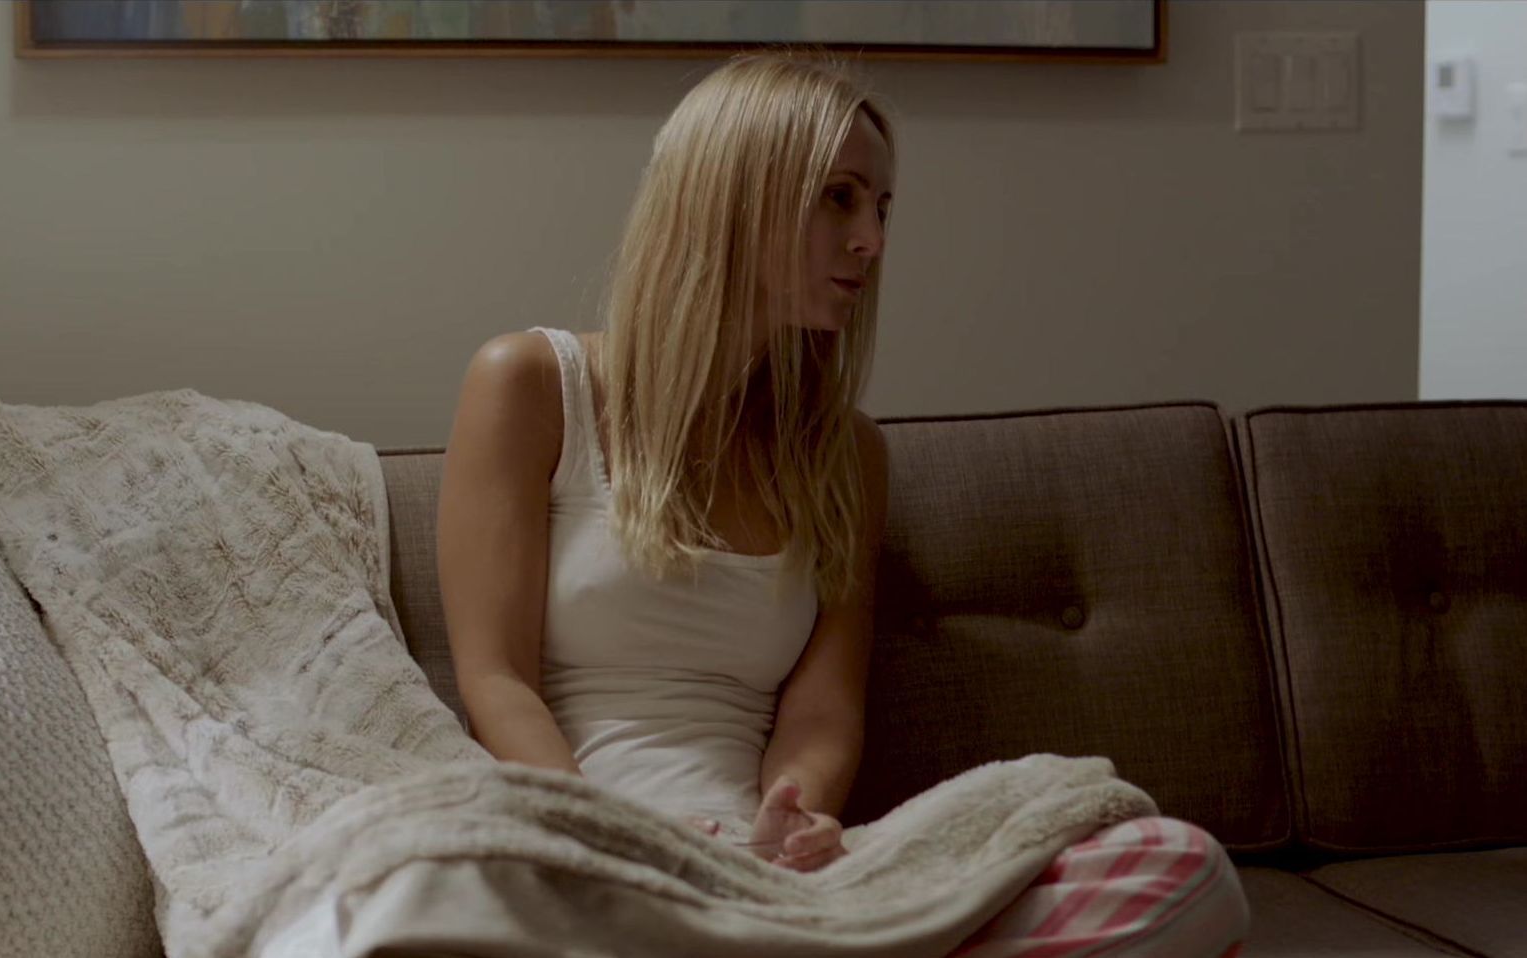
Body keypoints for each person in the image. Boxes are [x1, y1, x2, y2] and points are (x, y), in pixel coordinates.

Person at [435, 53, 1248, 956]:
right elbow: (495, 679)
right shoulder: (529, 383)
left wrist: (795, 823)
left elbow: (823, 715)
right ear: (734, 196)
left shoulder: (846, 455)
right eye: (839, 198)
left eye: (882, 209)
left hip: (762, 875)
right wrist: (615, 842)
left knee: (1182, 869)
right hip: (574, 855)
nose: (872, 240)